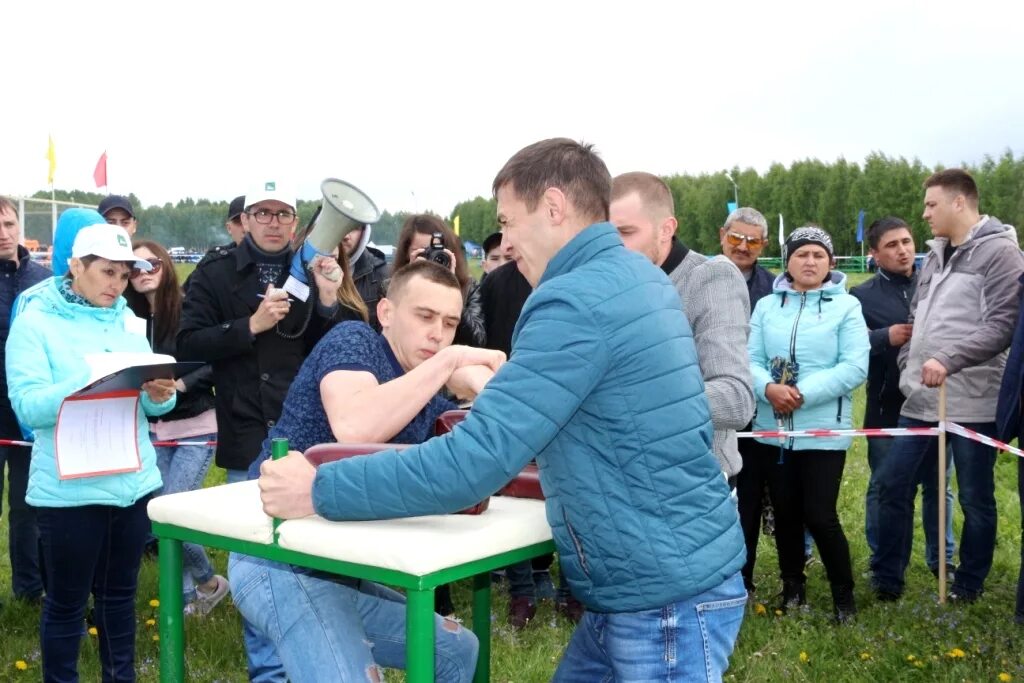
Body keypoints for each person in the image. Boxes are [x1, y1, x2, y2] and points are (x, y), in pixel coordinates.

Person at [258, 138, 748, 681]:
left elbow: (471, 465)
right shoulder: (638, 280)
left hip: (660, 599)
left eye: (510, 222)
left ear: (554, 208)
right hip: (649, 578)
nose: (507, 242)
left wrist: (320, 488)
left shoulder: (574, 301)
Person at [229, 260, 488, 681]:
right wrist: (449, 363)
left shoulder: (424, 397)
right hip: (278, 556)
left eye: (450, 323)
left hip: (344, 566)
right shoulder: (353, 339)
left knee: (458, 651)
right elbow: (355, 424)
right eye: (424, 316)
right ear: (386, 313)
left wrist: (486, 390)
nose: (437, 334)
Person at [6, 224, 176, 681]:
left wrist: (160, 394)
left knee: (120, 599)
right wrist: (86, 384)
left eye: (123, 275)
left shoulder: (127, 321)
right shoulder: (34, 322)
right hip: (69, 491)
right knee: (66, 603)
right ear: (75, 266)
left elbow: (149, 400)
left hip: (132, 483)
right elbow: (27, 405)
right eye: (106, 272)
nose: (116, 284)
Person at [873, 169, 1024, 603]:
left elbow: (1003, 325)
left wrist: (948, 359)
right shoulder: (935, 254)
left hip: (973, 403)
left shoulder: (1001, 254)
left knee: (976, 497)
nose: (924, 214)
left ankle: (969, 584)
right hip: (920, 399)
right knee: (892, 483)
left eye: (931, 205)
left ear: (960, 203)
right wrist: (909, 361)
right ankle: (887, 577)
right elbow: (919, 314)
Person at [177, 183, 349, 484]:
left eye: (283, 214)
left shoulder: (309, 270)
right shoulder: (214, 272)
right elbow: (188, 344)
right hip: (245, 430)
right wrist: (251, 325)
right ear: (245, 221)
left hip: (301, 425)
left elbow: (325, 348)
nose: (274, 223)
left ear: (294, 223)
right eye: (263, 213)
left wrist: (328, 300)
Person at [745, 226, 868, 622]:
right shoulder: (766, 307)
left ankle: (843, 598)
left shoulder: (846, 307)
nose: (810, 262)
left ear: (831, 263)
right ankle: (793, 589)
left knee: (820, 515)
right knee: (785, 514)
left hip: (821, 430)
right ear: (788, 262)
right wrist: (767, 387)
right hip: (773, 428)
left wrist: (800, 393)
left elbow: (853, 366)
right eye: (801, 255)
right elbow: (748, 357)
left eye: (818, 255)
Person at [611, 171, 754, 480]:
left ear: (666, 229)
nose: (613, 246)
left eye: (625, 232)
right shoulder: (611, 284)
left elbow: (735, 399)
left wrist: (628, 399)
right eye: (606, 235)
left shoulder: (709, 278)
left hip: (695, 489)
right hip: (626, 485)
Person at [125, 239, 229, 616]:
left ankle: (203, 586)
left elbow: (216, 360)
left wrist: (181, 386)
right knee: (159, 511)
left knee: (172, 509)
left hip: (196, 426)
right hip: (154, 430)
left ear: (166, 265)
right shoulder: (127, 320)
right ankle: (198, 590)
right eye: (133, 267)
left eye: (151, 264)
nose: (143, 273)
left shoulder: (189, 310)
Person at [849, 216, 955, 579]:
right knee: (885, 486)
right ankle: (884, 560)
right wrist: (883, 337)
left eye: (907, 242)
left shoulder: (936, 284)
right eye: (892, 245)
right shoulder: (859, 297)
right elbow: (846, 347)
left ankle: (942, 559)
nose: (903, 250)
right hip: (886, 408)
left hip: (936, 404)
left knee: (938, 486)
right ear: (875, 254)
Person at [0, 196, 51, 604]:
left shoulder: (43, 280)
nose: (4, 233)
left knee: (26, 506)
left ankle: (30, 590)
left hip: (27, 416)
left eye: (10, 223)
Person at [392, 214, 485, 347]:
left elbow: (477, 340)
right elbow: (390, 334)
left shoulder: (468, 287)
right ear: (407, 254)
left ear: (450, 252)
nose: (432, 258)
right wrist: (409, 283)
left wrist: (452, 288)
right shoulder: (391, 286)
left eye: (437, 252)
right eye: (423, 252)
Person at [720, 207, 775, 310]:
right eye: (735, 238)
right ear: (722, 236)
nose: (743, 247)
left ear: (763, 245)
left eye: (752, 242)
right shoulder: (697, 278)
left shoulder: (773, 289)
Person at [341, 223, 389, 331]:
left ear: (364, 232)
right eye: (340, 226)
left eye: (354, 228)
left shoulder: (381, 273)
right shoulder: (311, 268)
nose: (346, 236)